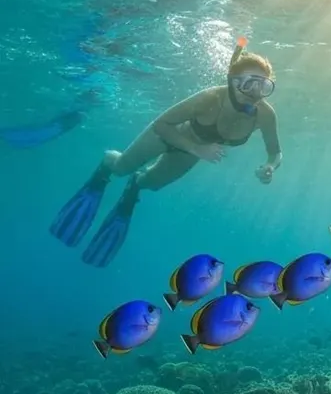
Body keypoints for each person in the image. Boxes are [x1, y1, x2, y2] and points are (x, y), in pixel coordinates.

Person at [50, 39, 282, 267]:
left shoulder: (265, 115)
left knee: (150, 183)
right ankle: (108, 163)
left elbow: (275, 152)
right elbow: (162, 124)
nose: (254, 92)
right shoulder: (210, 98)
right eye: (248, 83)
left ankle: (134, 187)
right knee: (121, 167)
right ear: (232, 80)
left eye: (262, 85)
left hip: (192, 152)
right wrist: (197, 148)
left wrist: (270, 166)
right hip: (168, 136)